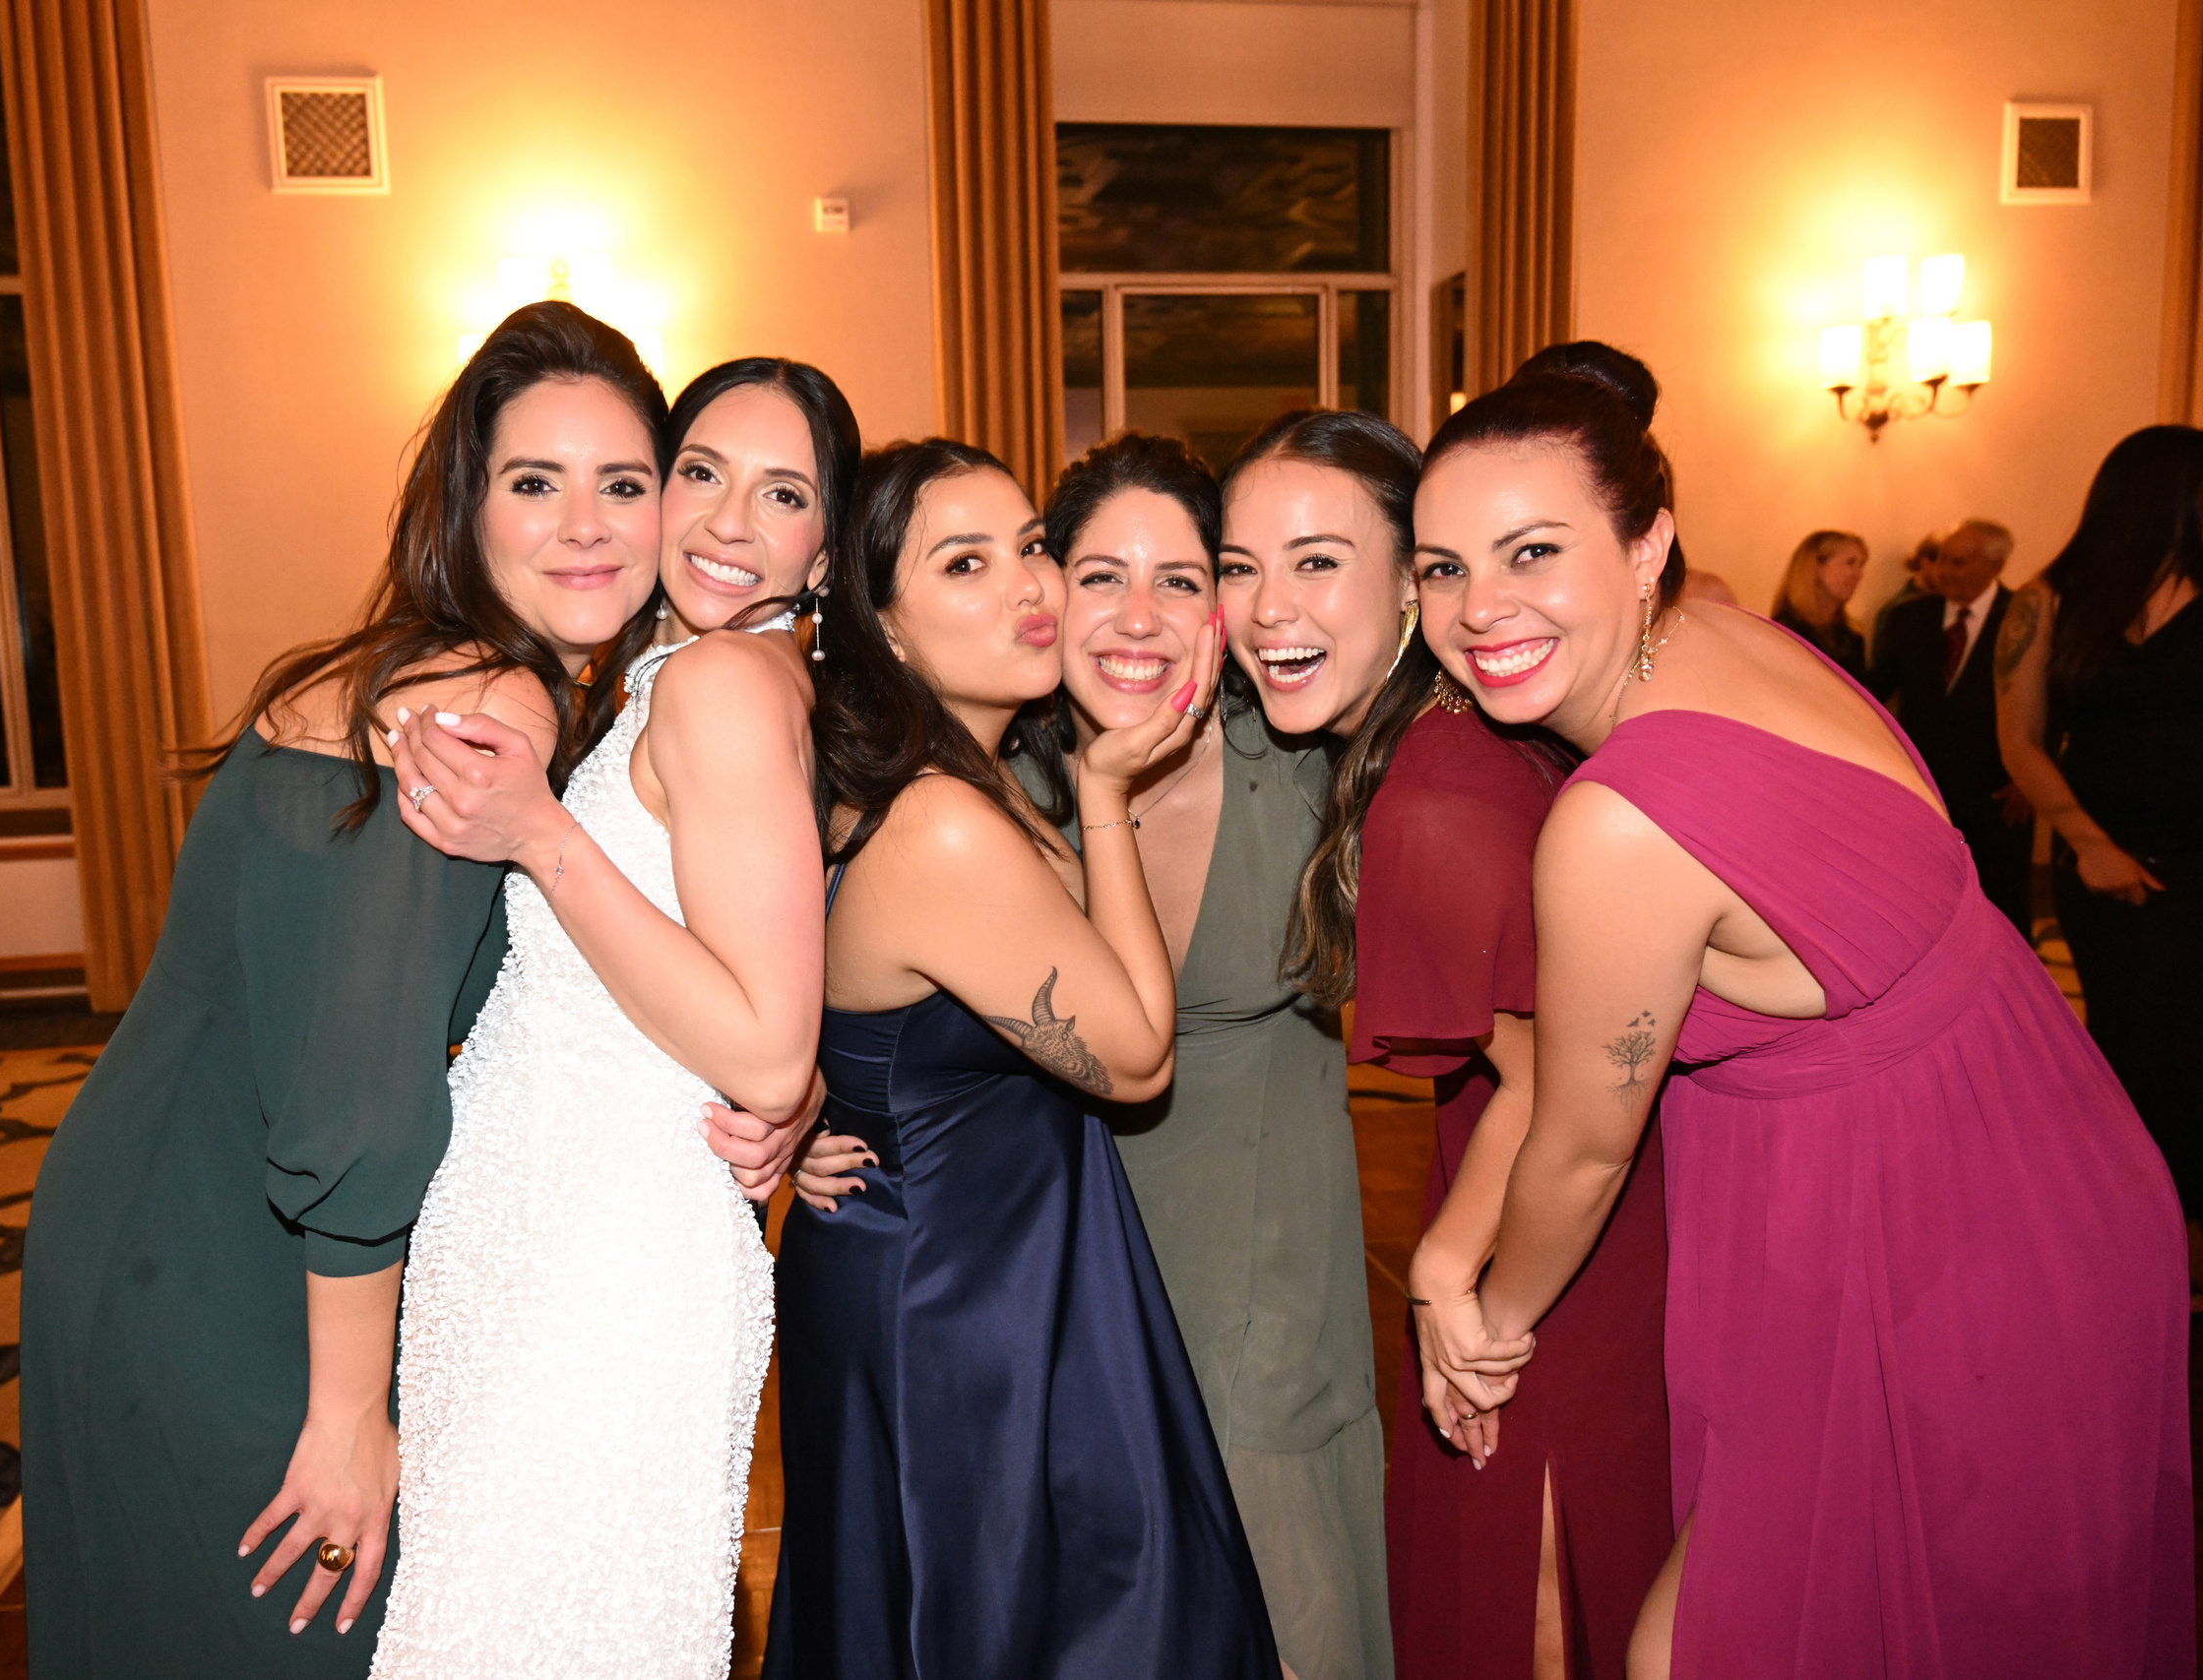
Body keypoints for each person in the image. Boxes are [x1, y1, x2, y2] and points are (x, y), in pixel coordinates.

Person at [1413, 349, 2191, 1679]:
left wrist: (1490, 1321)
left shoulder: (1616, 822)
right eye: (1440, 566)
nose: (1480, 606)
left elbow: (1586, 1146)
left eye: (1532, 550)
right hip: (2054, 1163)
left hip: (1925, 1243)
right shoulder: (1733, 636)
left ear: (1646, 543)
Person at [19, 301, 669, 1675]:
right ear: (467, 506)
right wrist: (347, 1410)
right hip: (236, 1254)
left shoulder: (424, 663)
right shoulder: (486, 695)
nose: (587, 523)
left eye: (624, 482)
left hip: (145, 1207)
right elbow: (365, 1101)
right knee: (298, 1626)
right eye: (534, 482)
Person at [765, 438, 1279, 1678]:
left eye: (1032, 546)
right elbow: (1138, 1057)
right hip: (955, 1306)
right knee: (997, 1619)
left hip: (980, 1265)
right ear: (881, 628)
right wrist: (1108, 789)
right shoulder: (941, 822)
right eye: (966, 563)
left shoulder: (960, 780)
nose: (1031, 586)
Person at [369, 357, 848, 1675]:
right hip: (545, 1233)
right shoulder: (664, 671)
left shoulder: (724, 687)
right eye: (700, 472)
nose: (728, 521)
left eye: (784, 493)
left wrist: (537, 834)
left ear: (824, 551)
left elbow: (764, 1042)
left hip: (605, 1259)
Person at [1221, 400, 1668, 1680]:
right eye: (1242, 568)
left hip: (1565, 1240)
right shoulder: (1456, 736)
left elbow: (1542, 1087)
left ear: (1414, 588)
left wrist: (1447, 1278)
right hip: (1580, 1204)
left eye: (1317, 562)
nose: (1269, 610)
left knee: (1534, 1587)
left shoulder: (1434, 794)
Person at [1995, 426, 2203, 1244]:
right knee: (2133, 1034)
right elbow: (2021, 740)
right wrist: (2086, 840)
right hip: (2106, 859)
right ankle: (2130, 1222)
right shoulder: (2049, 600)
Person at [1869, 517, 2031, 933]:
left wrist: (2028, 781)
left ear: (1993, 567)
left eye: (1957, 563)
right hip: (1925, 791)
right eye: (1942, 559)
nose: (1942, 571)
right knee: (1929, 906)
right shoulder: (1910, 618)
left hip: (1998, 792)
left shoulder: (2022, 617)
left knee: (2001, 907)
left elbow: (2046, 702)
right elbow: (1873, 693)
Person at [1768, 529, 1869, 675]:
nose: (1859, 575)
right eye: (1850, 563)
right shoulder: (1786, 630)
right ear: (1817, 567)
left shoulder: (1851, 636)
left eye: (1861, 565)